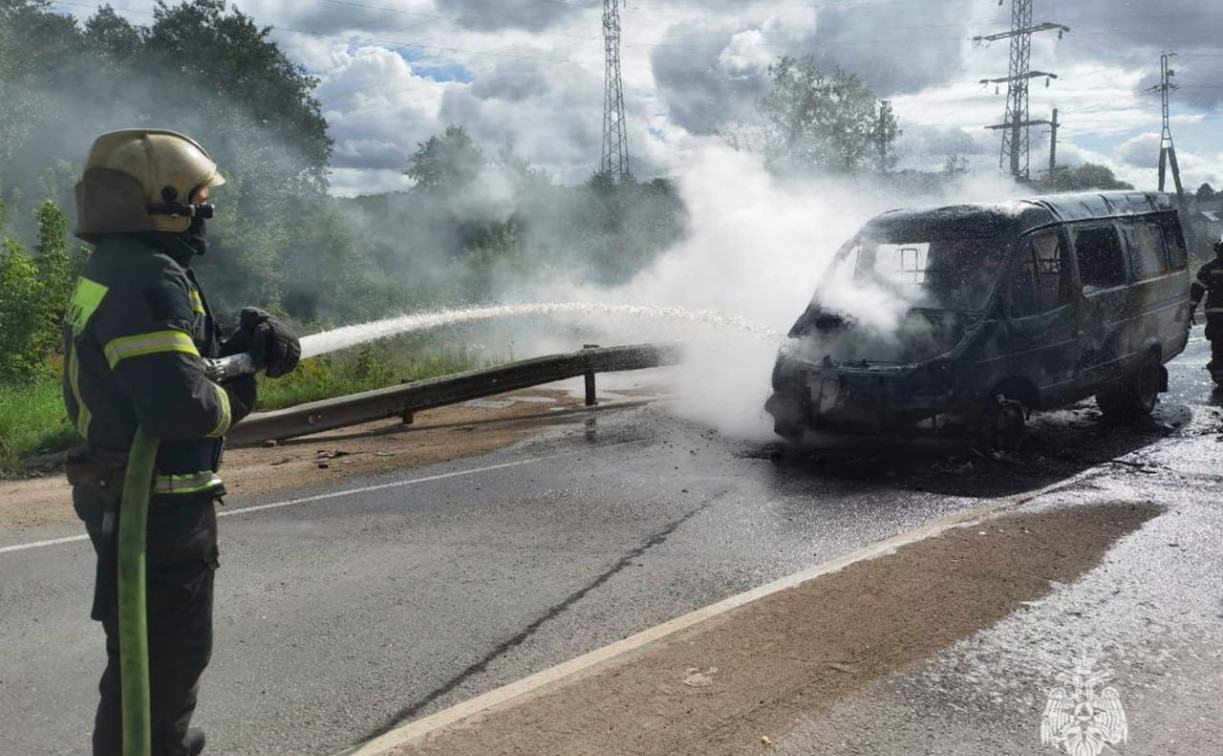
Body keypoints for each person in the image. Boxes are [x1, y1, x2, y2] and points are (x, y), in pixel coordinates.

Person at [63, 129, 301, 756]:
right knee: (161, 668)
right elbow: (182, 407)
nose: (206, 211)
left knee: (146, 664)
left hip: (134, 505)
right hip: (156, 511)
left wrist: (239, 338)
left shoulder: (120, 269)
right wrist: (247, 387)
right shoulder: (149, 278)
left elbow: (170, 356)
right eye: (197, 196)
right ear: (160, 199)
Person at [1190, 234, 1223, 388]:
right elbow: (1196, 291)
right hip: (1216, 314)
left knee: (1218, 344)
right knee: (1218, 344)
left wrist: (1190, 311)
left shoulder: (1208, 268)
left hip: (1215, 314)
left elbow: (1196, 291)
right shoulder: (1209, 268)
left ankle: (1218, 372)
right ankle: (1218, 372)